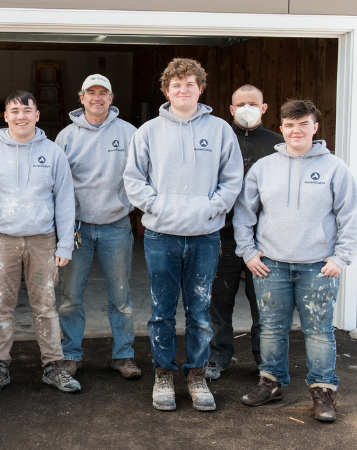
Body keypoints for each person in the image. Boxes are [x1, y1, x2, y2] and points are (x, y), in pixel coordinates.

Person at [123, 58, 243, 412]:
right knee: (161, 310)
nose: (183, 89)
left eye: (190, 83)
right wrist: (155, 208)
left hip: (205, 235)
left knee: (200, 312)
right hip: (161, 235)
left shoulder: (220, 130)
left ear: (200, 88)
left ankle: (196, 375)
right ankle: (163, 373)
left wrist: (212, 207)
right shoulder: (148, 132)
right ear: (166, 90)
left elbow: (232, 178)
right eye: (176, 84)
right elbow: (133, 179)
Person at [233, 99, 357, 423]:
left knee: (318, 331)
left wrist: (341, 258)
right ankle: (271, 382)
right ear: (281, 129)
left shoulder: (335, 168)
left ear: (315, 127)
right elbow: (244, 214)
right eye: (290, 125)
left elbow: (350, 217)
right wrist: (247, 252)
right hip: (270, 263)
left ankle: (322, 391)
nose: (296, 130)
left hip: (318, 265)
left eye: (303, 124)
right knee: (272, 328)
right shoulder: (263, 168)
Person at [0, 90, 79, 394]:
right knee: (1, 306)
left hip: (42, 241)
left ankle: (53, 366)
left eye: (27, 110)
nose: (21, 116)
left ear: (37, 115)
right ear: (5, 116)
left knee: (45, 305)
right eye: (14, 111)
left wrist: (64, 243)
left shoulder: (53, 152)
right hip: (1, 241)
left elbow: (65, 200)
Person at [55, 74, 140, 380]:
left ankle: (124, 355)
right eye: (91, 92)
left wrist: (129, 204)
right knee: (70, 298)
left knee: (120, 297)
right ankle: (70, 355)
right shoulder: (65, 137)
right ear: (82, 98)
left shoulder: (129, 133)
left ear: (111, 98)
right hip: (77, 230)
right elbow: (57, 185)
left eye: (103, 92)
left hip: (116, 226)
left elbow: (141, 174)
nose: (97, 97)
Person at [206, 85, 285, 380]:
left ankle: (265, 361)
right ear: (231, 109)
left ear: (264, 108)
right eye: (241, 104)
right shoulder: (218, 140)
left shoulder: (278, 145)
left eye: (253, 103)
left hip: (263, 242)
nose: (247, 108)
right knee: (219, 301)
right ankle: (217, 357)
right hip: (222, 236)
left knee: (263, 304)